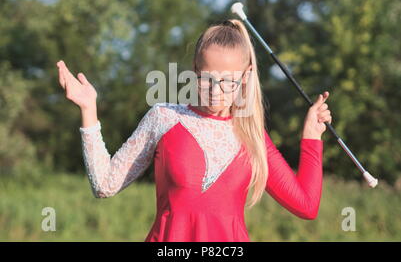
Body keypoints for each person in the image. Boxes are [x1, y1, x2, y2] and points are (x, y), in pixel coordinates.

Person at [56, 19, 332, 242]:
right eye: (206, 79)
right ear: (194, 71)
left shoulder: (252, 134)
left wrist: (311, 136)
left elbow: (306, 206)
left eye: (228, 82)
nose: (215, 92)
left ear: (246, 76)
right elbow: (105, 184)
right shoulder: (164, 117)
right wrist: (88, 110)